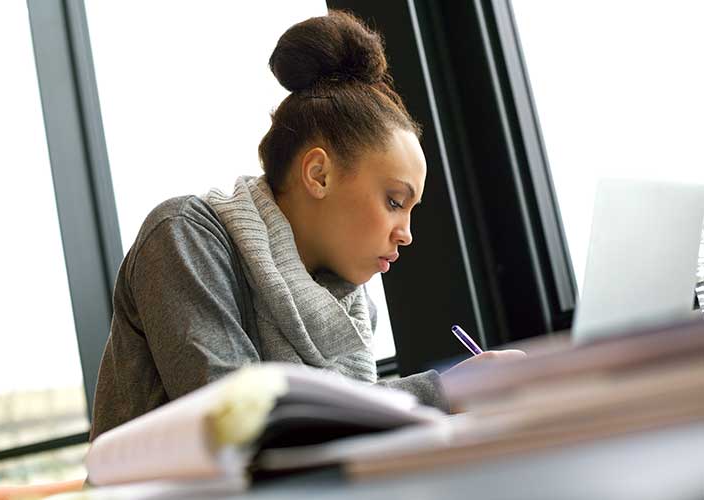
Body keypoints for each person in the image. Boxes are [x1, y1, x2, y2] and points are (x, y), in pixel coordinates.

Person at [89, 9, 524, 441]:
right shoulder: (183, 236)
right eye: (394, 201)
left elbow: (337, 432)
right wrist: (446, 390)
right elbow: (241, 427)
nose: (406, 233)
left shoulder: (350, 308)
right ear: (318, 174)